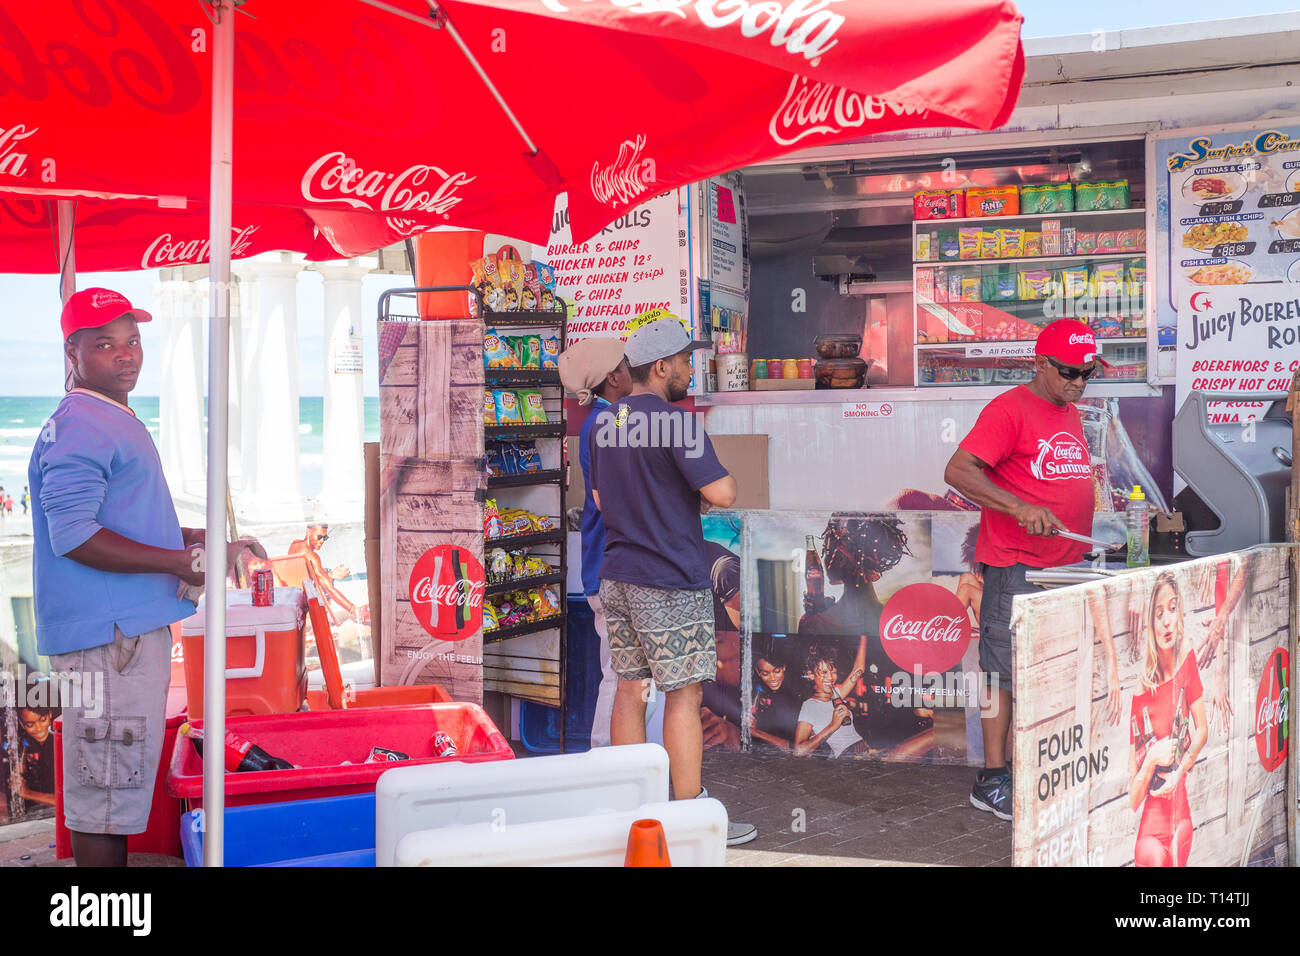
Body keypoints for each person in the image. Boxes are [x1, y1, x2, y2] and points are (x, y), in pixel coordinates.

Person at [29, 287, 220, 867]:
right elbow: (76, 535)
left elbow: (120, 516)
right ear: (74, 353)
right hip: (109, 639)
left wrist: (190, 541)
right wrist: (174, 563)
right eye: (105, 344)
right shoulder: (83, 422)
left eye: (132, 340)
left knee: (118, 787)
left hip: (123, 632)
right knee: (105, 797)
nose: (126, 355)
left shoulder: (108, 416)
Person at [588, 314, 756, 846]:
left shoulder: (604, 423)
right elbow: (725, 493)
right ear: (660, 367)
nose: (691, 370)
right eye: (685, 361)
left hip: (617, 574)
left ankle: (633, 813)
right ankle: (688, 816)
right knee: (684, 697)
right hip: (668, 578)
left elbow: (598, 500)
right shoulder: (677, 424)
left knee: (631, 690)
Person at [943, 319, 1104, 821]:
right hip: (1015, 567)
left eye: (1087, 374)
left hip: (1064, 568)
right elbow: (958, 471)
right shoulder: (1009, 409)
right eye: (1069, 372)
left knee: (1050, 674)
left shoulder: (1069, 411)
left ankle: (1039, 770)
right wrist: (1017, 508)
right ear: (1039, 363)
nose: (1078, 382)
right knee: (1001, 676)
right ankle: (992, 779)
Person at [558, 336, 631, 749]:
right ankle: (604, 759)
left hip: (602, 567)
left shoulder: (603, 421)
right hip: (609, 569)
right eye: (624, 365)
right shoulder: (610, 423)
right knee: (621, 675)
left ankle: (619, 762)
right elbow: (611, 499)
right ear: (613, 377)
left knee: (625, 674)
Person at [1128, 571, 1208, 867]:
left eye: (1172, 609)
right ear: (1150, 622)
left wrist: (1180, 772)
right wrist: (1150, 759)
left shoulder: (1187, 659)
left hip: (1182, 818)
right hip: (1151, 833)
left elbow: (1202, 731)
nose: (1167, 620)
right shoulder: (1141, 692)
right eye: (1159, 612)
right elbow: (1133, 799)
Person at [793, 637, 870, 757]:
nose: (830, 678)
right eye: (824, 673)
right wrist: (833, 726)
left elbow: (859, 669)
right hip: (848, 758)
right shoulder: (810, 705)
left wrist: (864, 634)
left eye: (833, 672)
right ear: (811, 675)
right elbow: (798, 751)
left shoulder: (837, 694)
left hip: (863, 750)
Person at [288, 523, 368, 626]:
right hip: (304, 607)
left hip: (292, 596)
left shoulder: (295, 544)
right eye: (319, 537)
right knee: (327, 578)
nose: (322, 541)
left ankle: (329, 576)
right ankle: (325, 614)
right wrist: (354, 609)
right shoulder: (312, 556)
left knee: (325, 573)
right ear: (308, 531)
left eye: (325, 538)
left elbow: (301, 575)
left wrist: (329, 575)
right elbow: (329, 589)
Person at [750, 641, 805, 752]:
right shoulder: (760, 692)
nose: (773, 678)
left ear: (784, 667)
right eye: (765, 674)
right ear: (757, 671)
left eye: (777, 671)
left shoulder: (795, 696)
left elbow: (793, 748)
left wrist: (756, 732)